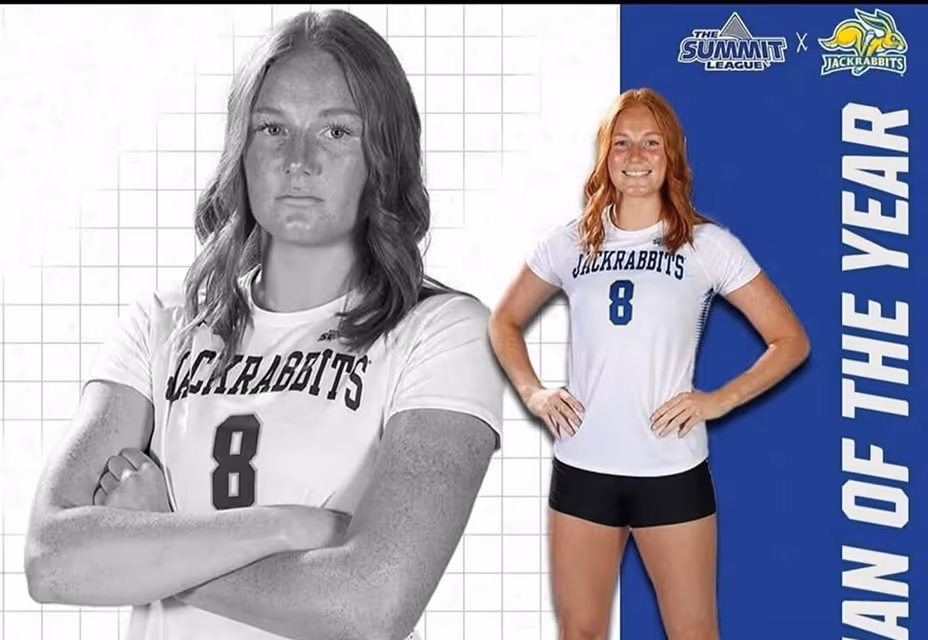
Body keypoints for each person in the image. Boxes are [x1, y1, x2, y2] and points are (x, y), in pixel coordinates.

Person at [24, 9, 503, 640]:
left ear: (382, 155)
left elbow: (369, 607)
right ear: (240, 150)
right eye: (271, 127)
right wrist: (283, 525)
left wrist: (157, 540)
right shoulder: (160, 326)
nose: (297, 160)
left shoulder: (444, 333)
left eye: (336, 132)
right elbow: (51, 560)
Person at [487, 87, 810, 640]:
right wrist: (535, 392)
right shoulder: (570, 243)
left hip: (671, 470)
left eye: (651, 143)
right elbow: (504, 322)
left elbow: (789, 340)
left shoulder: (707, 246)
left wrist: (718, 399)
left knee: (693, 632)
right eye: (622, 144)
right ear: (605, 156)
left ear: (672, 155)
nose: (635, 157)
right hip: (583, 466)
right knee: (580, 632)